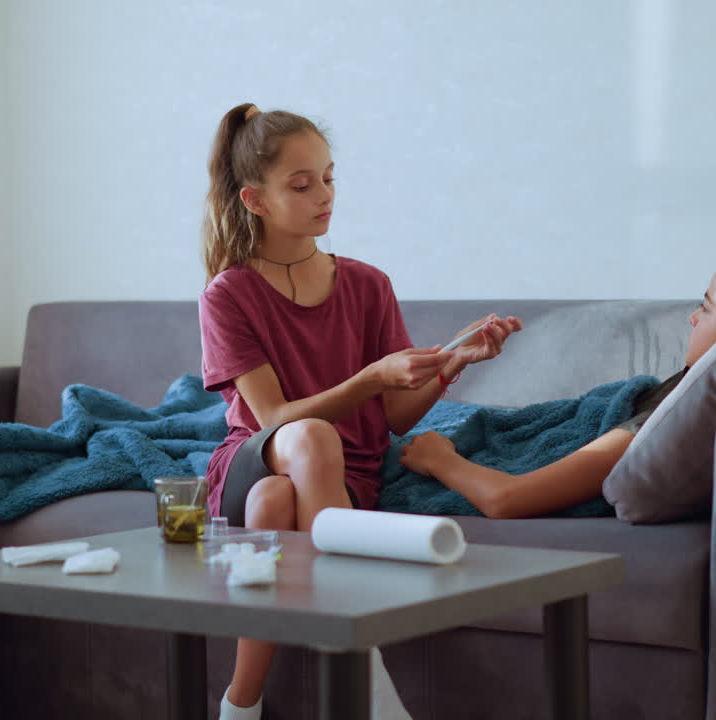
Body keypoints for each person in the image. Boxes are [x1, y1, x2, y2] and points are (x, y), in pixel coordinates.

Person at [199, 102, 522, 720]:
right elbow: (272, 418)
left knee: (275, 506)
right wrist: (369, 378)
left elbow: (396, 419)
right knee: (310, 439)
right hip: (255, 455)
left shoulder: (368, 284)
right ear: (255, 199)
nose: (325, 195)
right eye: (302, 184)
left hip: (338, 476)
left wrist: (452, 364)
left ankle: (239, 705)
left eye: (328, 177)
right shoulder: (229, 293)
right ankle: (362, 662)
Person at [397, 244, 716, 519]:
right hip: (464, 420)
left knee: (353, 442)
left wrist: (439, 459)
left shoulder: (675, 420)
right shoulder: (709, 392)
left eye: (705, 308)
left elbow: (507, 498)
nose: (691, 318)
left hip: (445, 443)